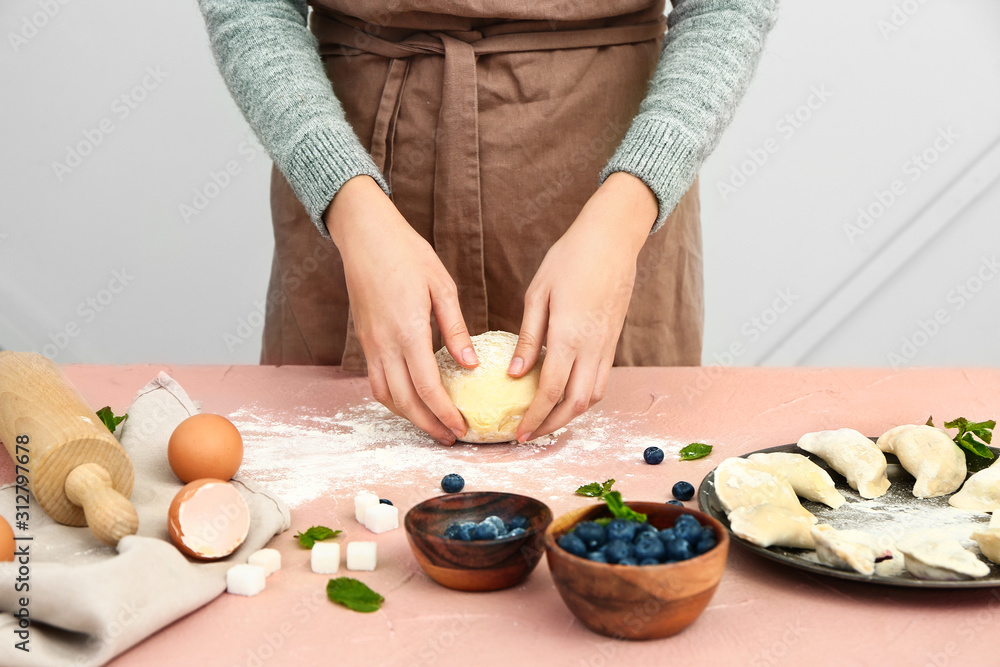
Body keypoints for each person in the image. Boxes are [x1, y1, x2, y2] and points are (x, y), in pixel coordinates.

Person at [198, 0, 778, 445]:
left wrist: (631, 204)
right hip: (357, 178)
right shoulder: (348, 202)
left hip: (611, 184)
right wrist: (345, 200)